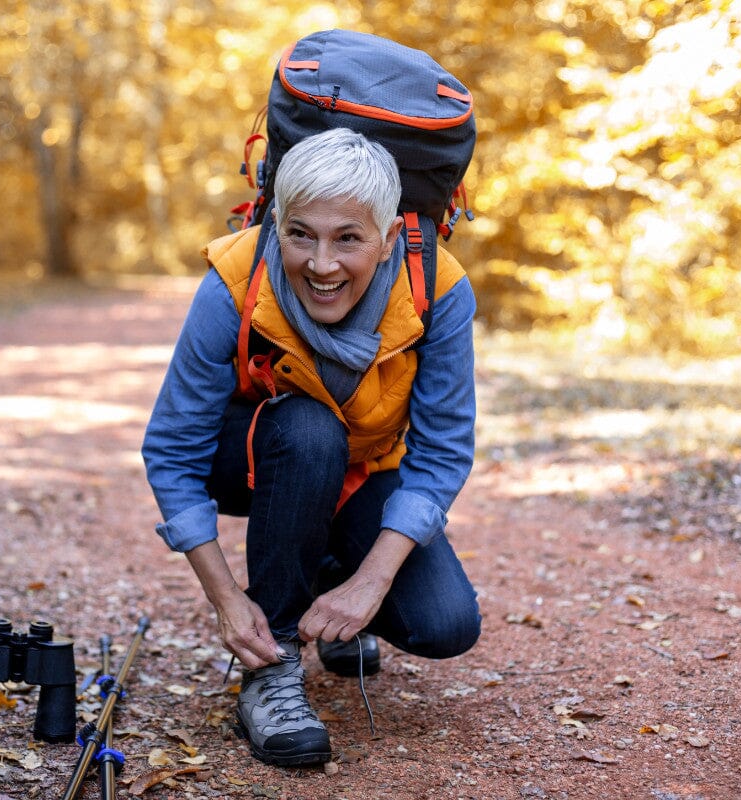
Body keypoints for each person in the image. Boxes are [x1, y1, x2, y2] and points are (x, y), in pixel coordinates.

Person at [142, 127, 480, 767]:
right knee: (307, 431)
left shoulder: (438, 288)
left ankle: (328, 570)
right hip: (256, 457)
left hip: (364, 468)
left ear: (386, 242)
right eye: (301, 235)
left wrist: (368, 584)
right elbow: (172, 450)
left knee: (445, 624)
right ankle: (270, 672)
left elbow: (440, 456)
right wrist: (227, 599)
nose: (321, 265)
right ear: (276, 229)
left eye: (348, 239)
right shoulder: (234, 279)